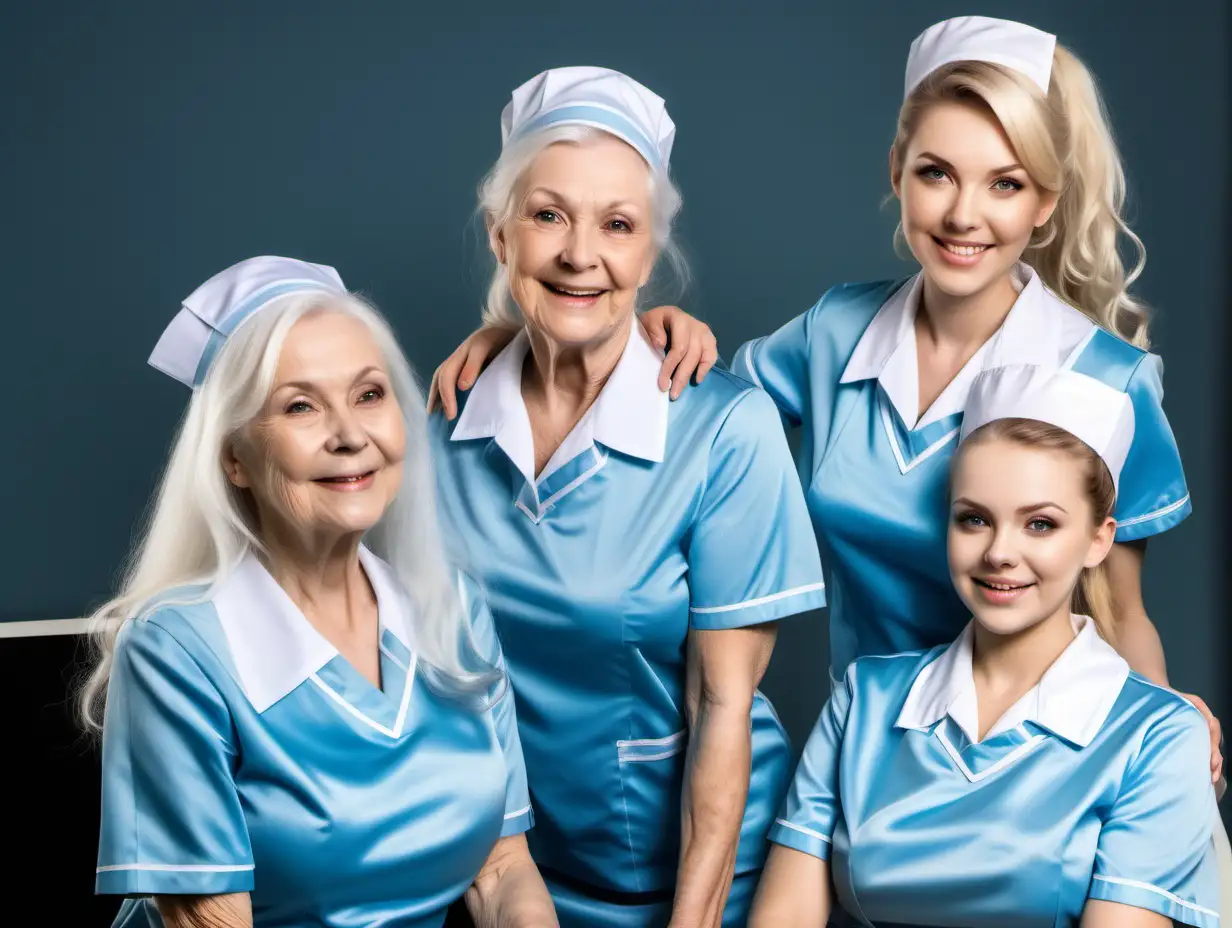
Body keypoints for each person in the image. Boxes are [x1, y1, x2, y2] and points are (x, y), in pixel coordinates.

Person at [427, 16, 1223, 786]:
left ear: (1044, 202)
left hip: (1035, 764)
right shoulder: (834, 330)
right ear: (896, 172)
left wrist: (1161, 735)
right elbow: (693, 408)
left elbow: (1121, 614)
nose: (962, 215)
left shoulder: (1106, 380)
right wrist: (540, 332)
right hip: (861, 764)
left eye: (1005, 184)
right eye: (936, 172)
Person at [428, 67, 825, 927]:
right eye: (547, 216)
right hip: (503, 880)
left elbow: (723, 709)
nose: (581, 254)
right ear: (501, 236)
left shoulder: (728, 432)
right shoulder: (436, 434)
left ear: (650, 253)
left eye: (617, 225)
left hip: (695, 885)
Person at [86, 256, 555, 928]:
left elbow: (504, 871)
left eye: (369, 395)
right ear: (233, 458)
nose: (350, 435)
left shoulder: (450, 606)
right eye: (300, 406)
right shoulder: (175, 650)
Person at [749, 364, 1220, 927]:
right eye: (974, 519)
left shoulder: (1156, 735)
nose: (999, 552)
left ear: (1099, 539)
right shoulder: (865, 700)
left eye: (1040, 524)